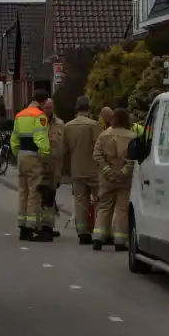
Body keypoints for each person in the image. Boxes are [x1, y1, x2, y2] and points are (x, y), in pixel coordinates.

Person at [92, 107, 136, 251]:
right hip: (124, 180)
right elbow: (133, 159)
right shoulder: (132, 137)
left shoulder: (104, 135)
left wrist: (107, 171)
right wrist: (123, 172)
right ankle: (120, 240)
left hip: (106, 179)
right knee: (122, 209)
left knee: (104, 207)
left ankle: (98, 237)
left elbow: (97, 155)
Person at [11, 89, 52, 242]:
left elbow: (14, 139)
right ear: (43, 101)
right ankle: (32, 227)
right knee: (34, 192)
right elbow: (40, 138)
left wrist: (17, 154)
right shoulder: (39, 116)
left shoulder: (20, 115)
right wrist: (46, 154)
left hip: (21, 155)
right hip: (34, 156)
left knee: (23, 191)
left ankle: (22, 226)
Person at [63, 96, 101, 245]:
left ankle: (82, 232)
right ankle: (99, 231)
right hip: (93, 170)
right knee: (99, 200)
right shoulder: (93, 125)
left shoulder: (68, 126)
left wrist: (65, 170)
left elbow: (64, 150)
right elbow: (99, 146)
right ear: (88, 109)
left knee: (80, 201)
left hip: (76, 169)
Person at [37, 98, 65, 239]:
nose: (48, 110)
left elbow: (63, 145)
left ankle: (48, 226)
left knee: (51, 197)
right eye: (46, 107)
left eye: (50, 107)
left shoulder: (60, 124)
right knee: (42, 198)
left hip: (55, 166)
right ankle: (41, 226)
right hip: (40, 166)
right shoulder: (38, 122)